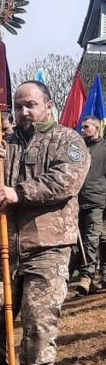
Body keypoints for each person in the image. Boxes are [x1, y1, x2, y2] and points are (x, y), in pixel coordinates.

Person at [0, 81, 89, 365]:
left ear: (48, 106)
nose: (23, 112)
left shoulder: (69, 141)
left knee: (38, 320)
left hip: (47, 247)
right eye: (18, 106)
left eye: (30, 105)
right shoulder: (3, 143)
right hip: (3, 246)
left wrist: (19, 192)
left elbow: (66, 181)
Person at [72, 116, 106, 296]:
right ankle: (94, 277)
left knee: (91, 239)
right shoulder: (79, 148)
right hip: (78, 202)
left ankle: (87, 276)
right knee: (82, 241)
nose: (82, 130)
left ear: (96, 129)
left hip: (97, 201)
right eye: (81, 127)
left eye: (86, 127)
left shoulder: (104, 149)